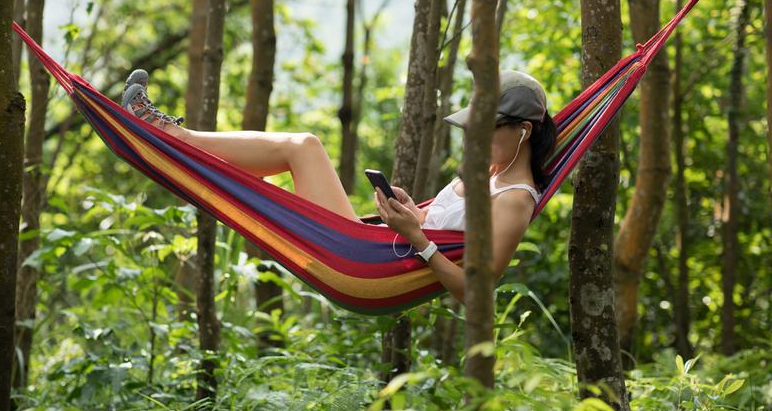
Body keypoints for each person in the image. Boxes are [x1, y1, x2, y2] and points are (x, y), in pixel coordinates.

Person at [120, 69, 557, 303]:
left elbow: (476, 293)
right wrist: (413, 213)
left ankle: (172, 139)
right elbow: (444, 226)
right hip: (372, 246)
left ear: (522, 130)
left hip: (363, 265)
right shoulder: (488, 173)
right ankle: (182, 153)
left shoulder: (514, 200)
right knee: (294, 154)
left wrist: (417, 239)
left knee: (304, 148)